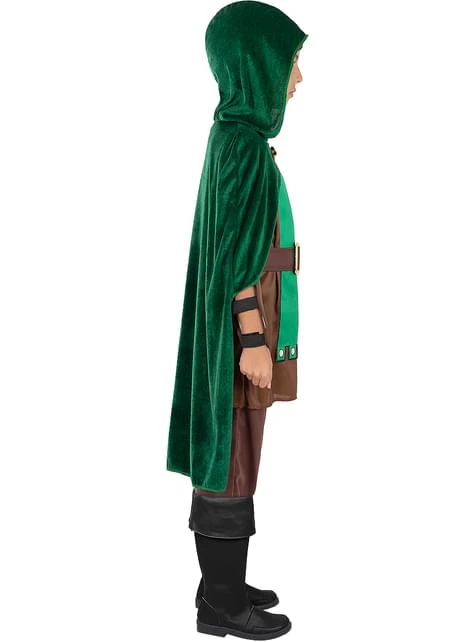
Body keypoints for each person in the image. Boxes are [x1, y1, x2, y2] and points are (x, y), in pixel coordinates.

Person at [166, 1, 308, 638]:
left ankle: (220, 584)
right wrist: (252, 336)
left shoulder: (234, 137)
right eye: (291, 62)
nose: (299, 78)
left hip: (237, 325)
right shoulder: (243, 145)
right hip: (240, 331)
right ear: (259, 65)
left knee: (235, 453)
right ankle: (222, 605)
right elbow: (236, 254)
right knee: (232, 457)